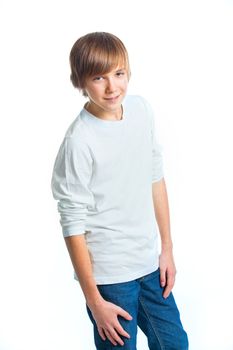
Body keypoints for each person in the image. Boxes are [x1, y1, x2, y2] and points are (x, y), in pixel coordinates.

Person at [51, 31, 189, 350]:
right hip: (110, 278)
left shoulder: (141, 110)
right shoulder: (79, 142)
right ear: (80, 82)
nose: (112, 87)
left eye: (119, 73)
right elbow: (72, 226)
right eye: (99, 77)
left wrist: (166, 249)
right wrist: (94, 300)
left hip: (149, 265)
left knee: (175, 343)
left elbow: (156, 178)